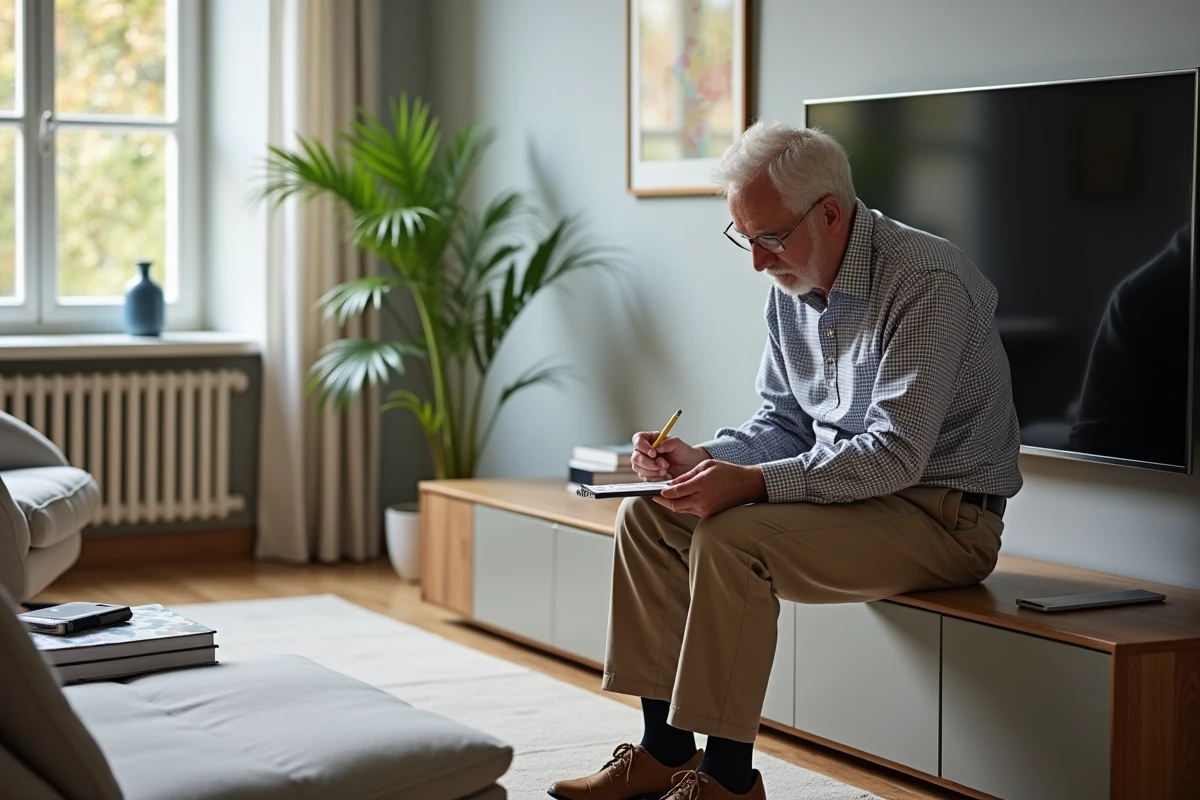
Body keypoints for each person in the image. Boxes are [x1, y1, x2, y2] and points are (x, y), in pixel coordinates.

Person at [548, 121, 1022, 800]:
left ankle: (729, 781)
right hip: (854, 499)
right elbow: (785, 423)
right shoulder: (793, 283)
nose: (758, 262)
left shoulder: (927, 281)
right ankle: (663, 750)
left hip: (943, 518)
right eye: (746, 238)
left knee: (737, 538)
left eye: (768, 238)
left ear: (829, 213)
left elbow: (893, 455)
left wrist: (747, 486)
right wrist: (702, 460)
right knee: (652, 518)